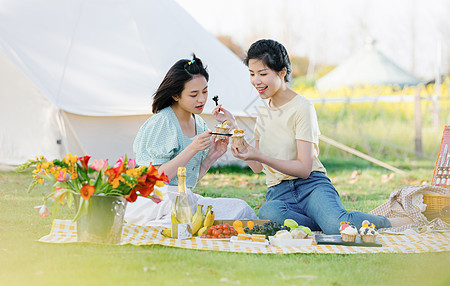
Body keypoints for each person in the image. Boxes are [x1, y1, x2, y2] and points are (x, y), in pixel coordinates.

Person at [213, 39, 411, 234]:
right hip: (279, 193)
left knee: (336, 226)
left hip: (311, 187)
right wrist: (234, 128)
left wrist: (260, 156)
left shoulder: (302, 108)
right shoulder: (263, 111)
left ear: (282, 72)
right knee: (268, 213)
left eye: (263, 74)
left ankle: (386, 222)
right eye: (252, 74)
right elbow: (257, 167)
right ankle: (323, 223)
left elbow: (304, 169)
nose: (256, 81)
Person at [125, 54, 256, 227]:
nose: (201, 99)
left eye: (205, 91)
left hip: (183, 198)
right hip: (156, 200)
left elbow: (188, 181)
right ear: (176, 96)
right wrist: (192, 149)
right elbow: (154, 179)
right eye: (194, 94)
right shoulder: (161, 123)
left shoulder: (199, 123)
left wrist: (212, 156)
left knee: (241, 209)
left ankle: (188, 224)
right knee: (184, 216)